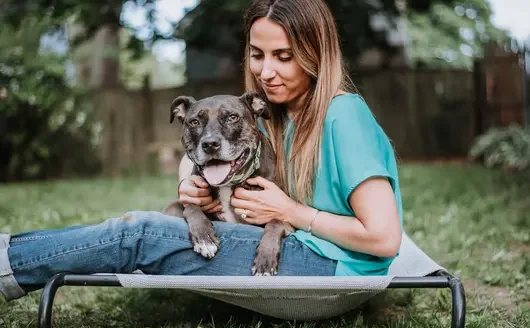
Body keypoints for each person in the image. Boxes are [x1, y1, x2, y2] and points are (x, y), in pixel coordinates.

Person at [0, 0, 403, 302]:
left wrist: (290, 212)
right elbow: (212, 144)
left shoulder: (342, 115)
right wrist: (187, 183)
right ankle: (11, 251)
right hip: (310, 254)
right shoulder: (279, 115)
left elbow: (385, 239)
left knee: (141, 233)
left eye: (284, 57)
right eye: (257, 55)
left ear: (317, 53)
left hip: (333, 271)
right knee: (155, 224)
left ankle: (8, 265)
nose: (266, 72)